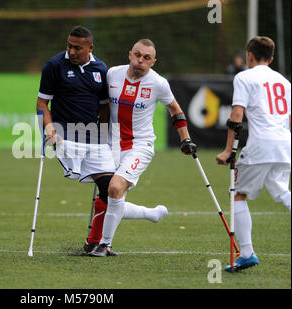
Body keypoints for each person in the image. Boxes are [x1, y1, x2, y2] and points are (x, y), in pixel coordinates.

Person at [36, 27, 168, 254]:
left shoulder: (101, 69)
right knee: (110, 192)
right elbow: (41, 104)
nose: (71, 51)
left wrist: (106, 139)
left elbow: (104, 108)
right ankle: (100, 241)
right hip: (65, 137)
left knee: (112, 191)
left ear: (90, 48)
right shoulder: (54, 66)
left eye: (77, 47)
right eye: (69, 46)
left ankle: (99, 241)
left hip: (95, 140)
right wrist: (49, 128)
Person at [89, 39, 197, 257]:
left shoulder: (158, 83)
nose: (140, 60)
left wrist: (185, 139)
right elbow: (103, 106)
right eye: (137, 55)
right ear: (130, 54)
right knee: (110, 196)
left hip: (141, 145)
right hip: (112, 144)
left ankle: (105, 245)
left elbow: (175, 109)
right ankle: (151, 213)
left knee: (115, 188)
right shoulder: (112, 74)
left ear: (153, 62)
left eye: (146, 58)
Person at [216, 36, 291, 272]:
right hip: (285, 145)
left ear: (249, 56)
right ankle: (247, 253)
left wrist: (229, 150)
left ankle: (247, 253)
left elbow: (237, 114)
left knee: (239, 194)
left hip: (261, 146)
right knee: (282, 192)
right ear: (270, 58)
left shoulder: (244, 77)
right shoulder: (284, 81)